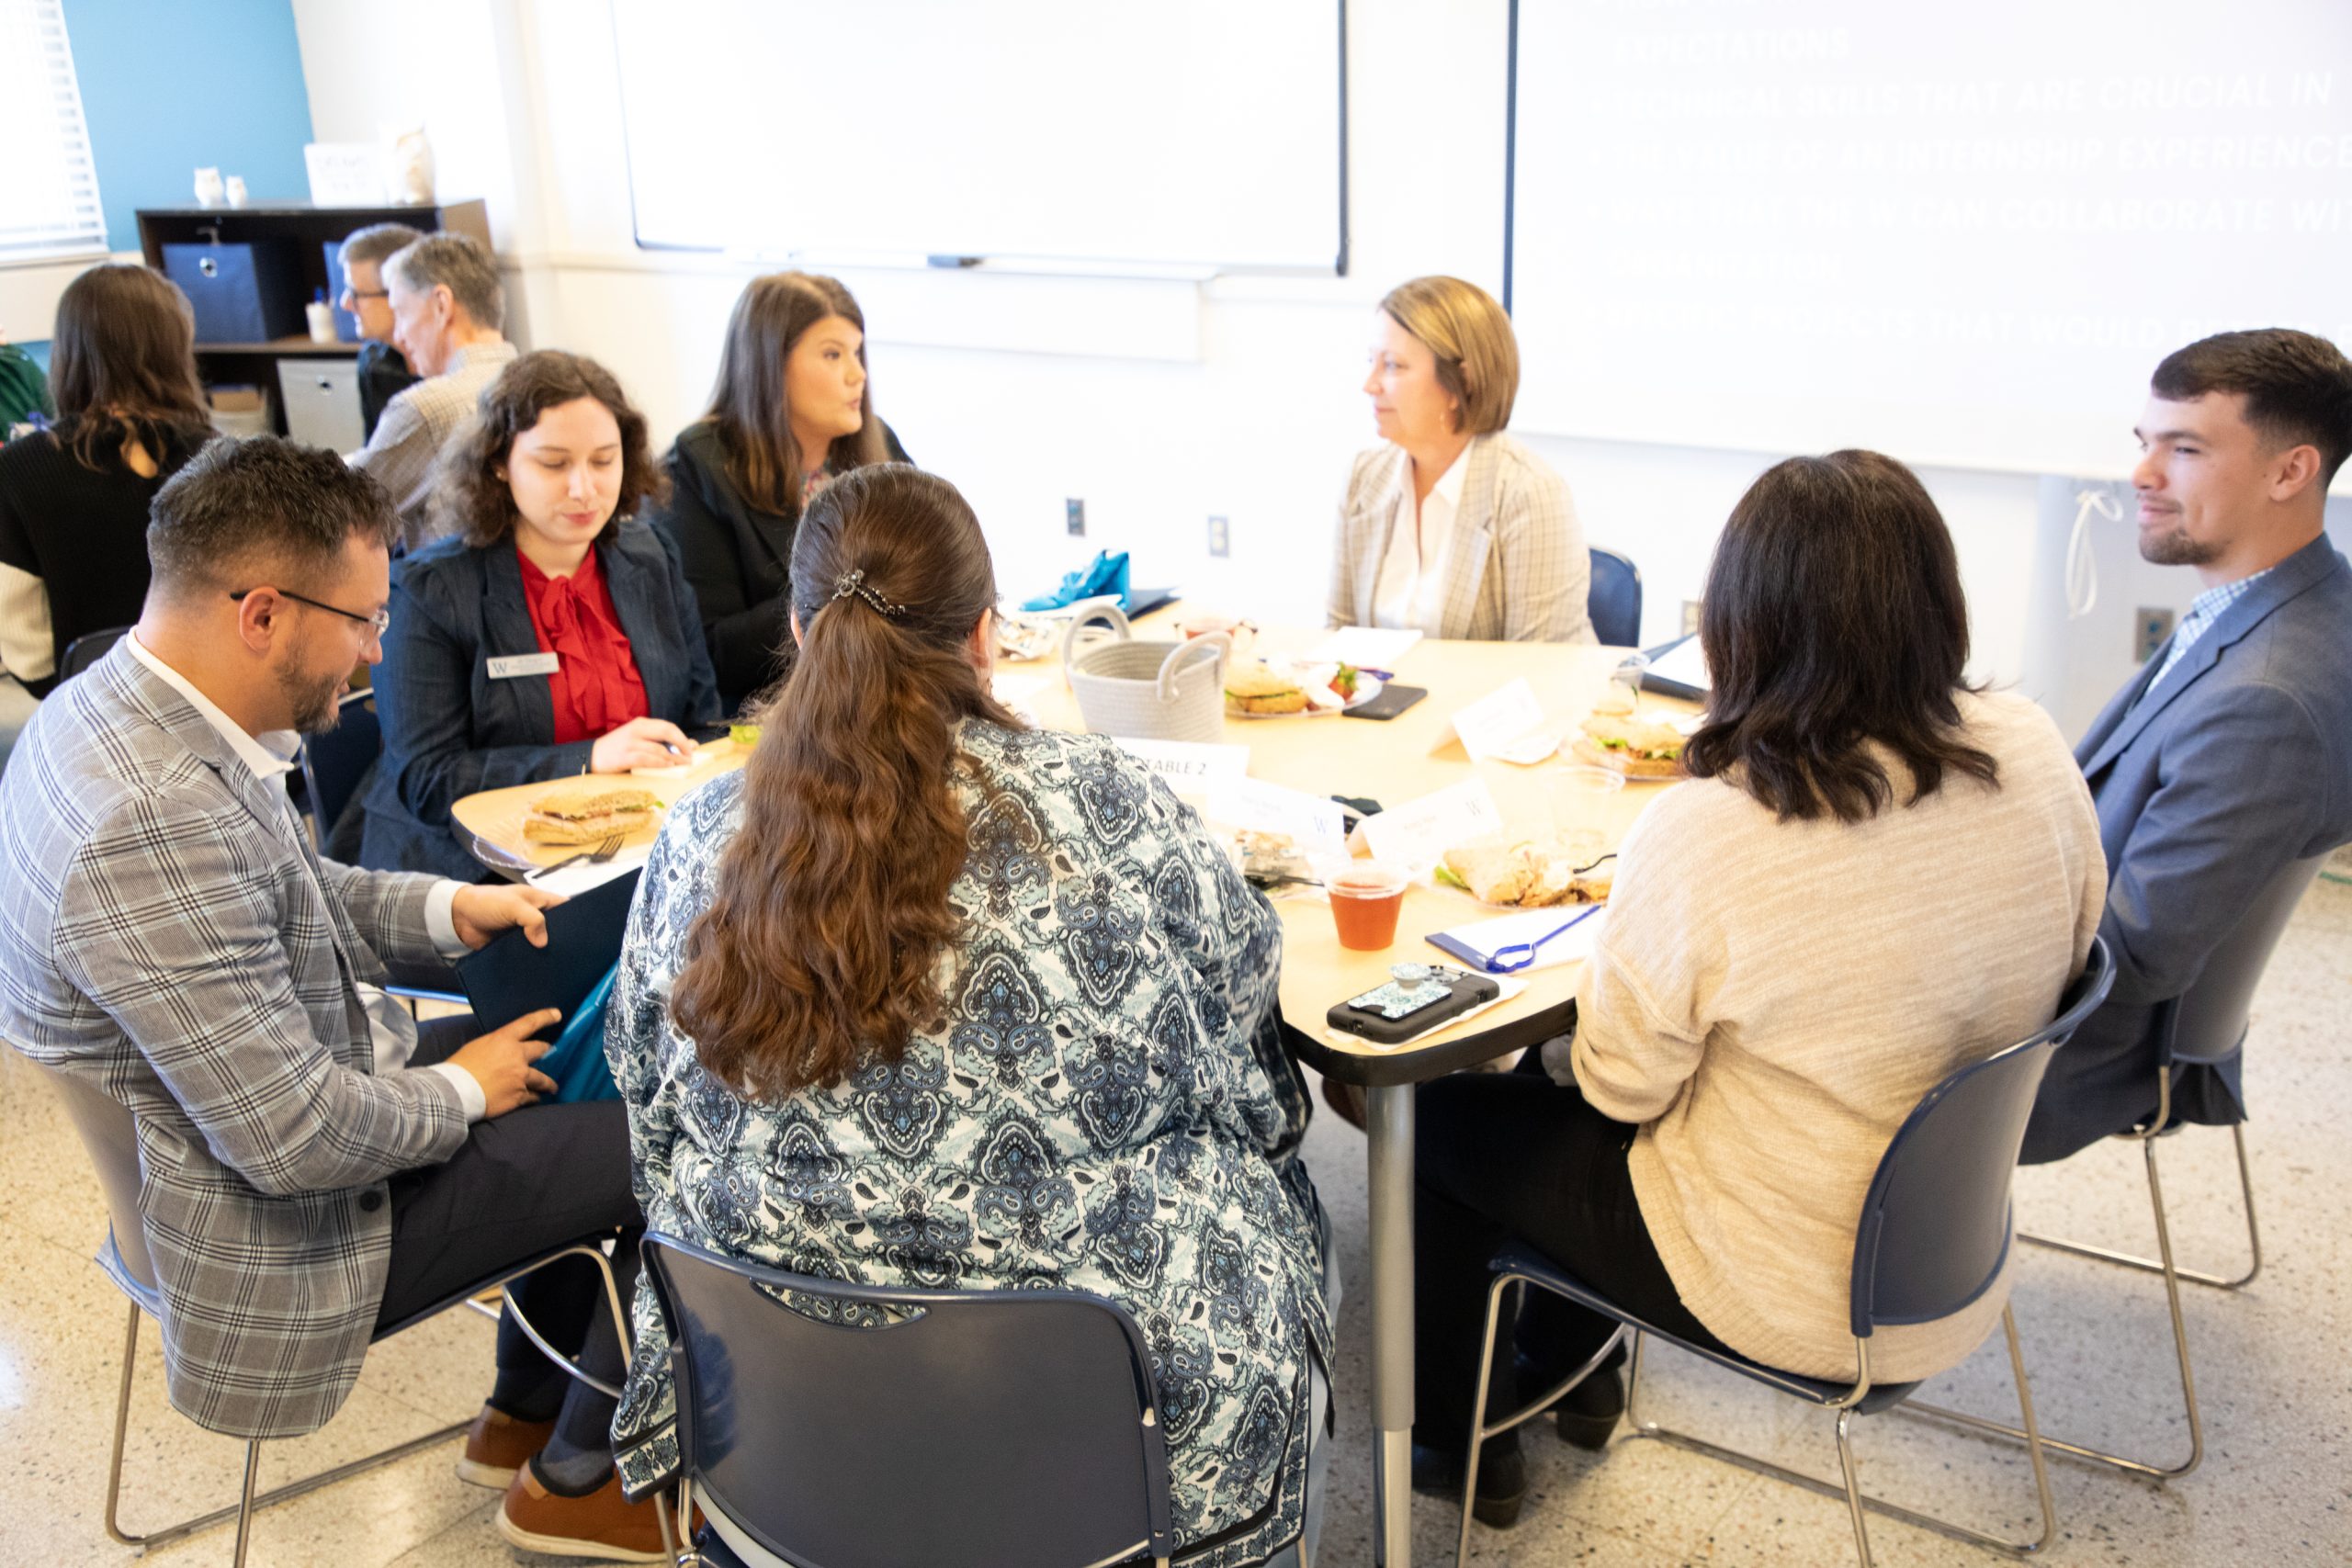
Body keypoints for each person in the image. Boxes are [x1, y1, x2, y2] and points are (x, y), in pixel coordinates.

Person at [603, 465, 1333, 1566]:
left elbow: (645, 1104)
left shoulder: (699, 834)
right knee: (1286, 1210)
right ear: (986, 634)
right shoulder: (1111, 805)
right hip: (1100, 1443)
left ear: (799, 630)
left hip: (779, 1428)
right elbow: (1246, 1056)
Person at [0, 436, 671, 1561]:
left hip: (246, 1146)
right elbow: (295, 1140)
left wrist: (454, 909)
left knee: (576, 1040)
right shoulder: (151, 822)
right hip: (279, 1234)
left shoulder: (116, 704)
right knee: (670, 1129)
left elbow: (292, 890)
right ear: (263, 613)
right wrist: (466, 1088)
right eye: (364, 620)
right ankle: (582, 1478)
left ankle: (524, 1417)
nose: (376, 650)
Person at [1408, 450, 2104, 1526]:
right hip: (1948, 1249)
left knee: (1446, 1122)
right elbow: (2078, 936)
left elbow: (1621, 1089)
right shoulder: (2032, 743)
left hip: (1793, 1285)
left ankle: (1464, 1450)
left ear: (1740, 622)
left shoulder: (1721, 824)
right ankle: (1572, 1381)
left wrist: (1541, 1044)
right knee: (1573, 1099)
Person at [2022, 330, 2352, 1165]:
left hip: (2061, 1058)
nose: (2142, 473)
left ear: (2291, 471)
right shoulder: (2290, 605)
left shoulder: (2266, 699)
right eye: (2146, 442)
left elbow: (2131, 959)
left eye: (2186, 448)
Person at [361, 351, 721, 880]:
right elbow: (429, 779)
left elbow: (701, 720)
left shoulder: (652, 558)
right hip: (482, 873)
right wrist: (589, 757)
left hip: (636, 854)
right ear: (498, 464)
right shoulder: (429, 591)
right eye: (554, 464)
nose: (584, 489)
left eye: (604, 461)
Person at [644, 271, 910, 715]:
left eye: (857, 353)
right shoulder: (695, 466)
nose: (857, 374)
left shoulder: (879, 442)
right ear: (770, 366)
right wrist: (843, 591)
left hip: (884, 698)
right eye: (832, 354)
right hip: (771, 718)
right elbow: (711, 650)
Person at [0, 265, 214, 745]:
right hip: (216, 709)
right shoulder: (222, 457)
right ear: (175, 349)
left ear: (68, 352)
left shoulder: (16, 470)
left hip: (90, 720)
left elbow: (20, 635)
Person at [1329, 275, 1594, 643]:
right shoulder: (1364, 476)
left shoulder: (1529, 492)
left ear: (1461, 383)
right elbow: (1340, 636)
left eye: (1392, 365)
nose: (1369, 384)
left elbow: (1542, 665)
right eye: (1371, 361)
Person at [347, 231, 518, 549]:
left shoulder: (426, 408)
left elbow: (342, 509)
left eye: (401, 313)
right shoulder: (534, 384)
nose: (399, 335)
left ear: (442, 305)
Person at [334, 221, 424, 439]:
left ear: (397, 294)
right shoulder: (372, 361)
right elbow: (373, 449)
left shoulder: (455, 367)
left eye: (355, 293)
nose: (345, 303)